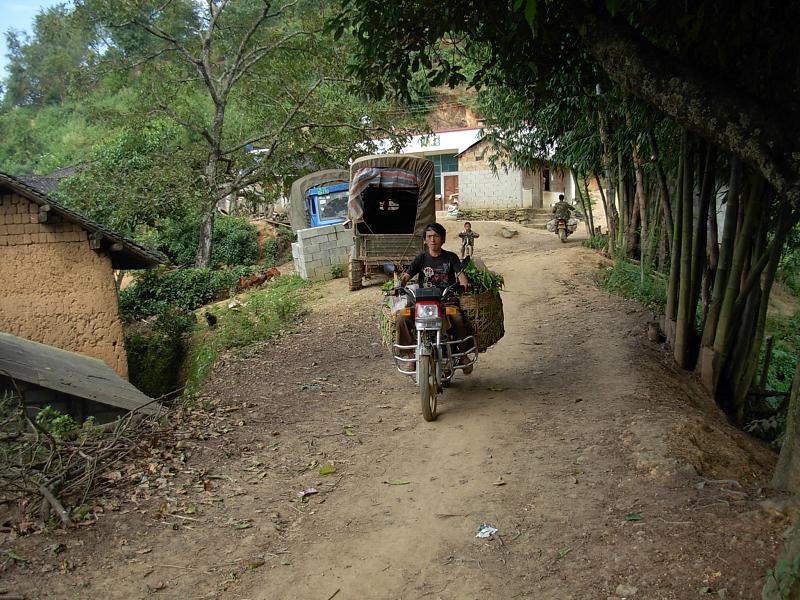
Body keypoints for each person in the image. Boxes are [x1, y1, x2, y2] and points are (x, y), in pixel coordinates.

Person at [396, 222, 473, 374]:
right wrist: (400, 285)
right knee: (401, 318)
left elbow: (460, 274)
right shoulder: (421, 258)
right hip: (423, 303)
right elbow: (407, 275)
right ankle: (412, 356)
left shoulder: (451, 257)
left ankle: (464, 355)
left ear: (442, 239)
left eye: (436, 236)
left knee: (457, 318)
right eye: (429, 237)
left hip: (446, 301)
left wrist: (464, 283)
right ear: (425, 240)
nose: (432, 240)